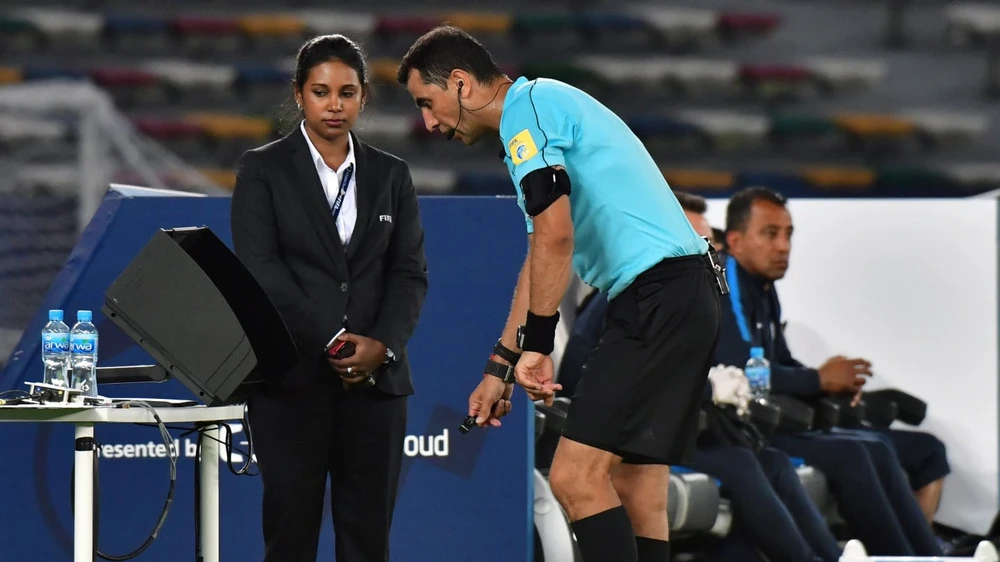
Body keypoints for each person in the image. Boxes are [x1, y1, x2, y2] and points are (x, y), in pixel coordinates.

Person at [397, 26, 723, 562]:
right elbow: (540, 259)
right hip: (686, 294)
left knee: (575, 478)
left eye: (426, 103)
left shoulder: (526, 113)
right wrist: (500, 366)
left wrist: (539, 345)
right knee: (639, 489)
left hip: (659, 297)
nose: (428, 123)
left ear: (460, 83)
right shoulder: (538, 110)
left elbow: (557, 238)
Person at [230, 34, 428, 562]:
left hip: (377, 388)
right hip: (291, 384)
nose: (334, 105)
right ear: (299, 94)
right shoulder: (262, 169)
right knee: (289, 540)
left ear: (364, 96)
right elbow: (261, 271)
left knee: (367, 543)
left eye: (347, 92)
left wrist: (381, 346)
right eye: (321, 92)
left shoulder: (392, 174)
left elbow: (409, 275)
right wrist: (336, 341)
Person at [713, 186, 946, 556]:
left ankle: (922, 556)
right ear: (736, 241)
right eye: (770, 234)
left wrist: (828, 385)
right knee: (853, 454)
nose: (783, 246)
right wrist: (818, 379)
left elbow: (780, 362)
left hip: (771, 422)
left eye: (788, 234)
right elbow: (741, 373)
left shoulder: (764, 288)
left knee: (878, 447)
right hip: (742, 429)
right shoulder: (729, 285)